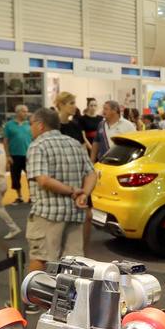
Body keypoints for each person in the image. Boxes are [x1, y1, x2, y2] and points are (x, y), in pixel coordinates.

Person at [25, 107, 95, 271]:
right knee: (73, 265)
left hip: (47, 214)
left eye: (31, 124)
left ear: (40, 125)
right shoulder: (75, 144)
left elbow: (43, 180)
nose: (30, 128)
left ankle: (34, 289)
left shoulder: (38, 146)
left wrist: (72, 191)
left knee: (40, 260)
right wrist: (84, 194)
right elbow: (92, 173)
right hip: (75, 214)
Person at [3, 105, 32, 203]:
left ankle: (32, 196)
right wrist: (8, 155)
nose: (26, 113)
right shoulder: (9, 125)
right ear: (17, 112)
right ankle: (19, 197)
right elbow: (6, 141)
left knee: (31, 177)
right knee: (15, 177)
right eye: (24, 111)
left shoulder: (30, 124)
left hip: (28, 155)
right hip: (14, 155)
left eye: (27, 111)